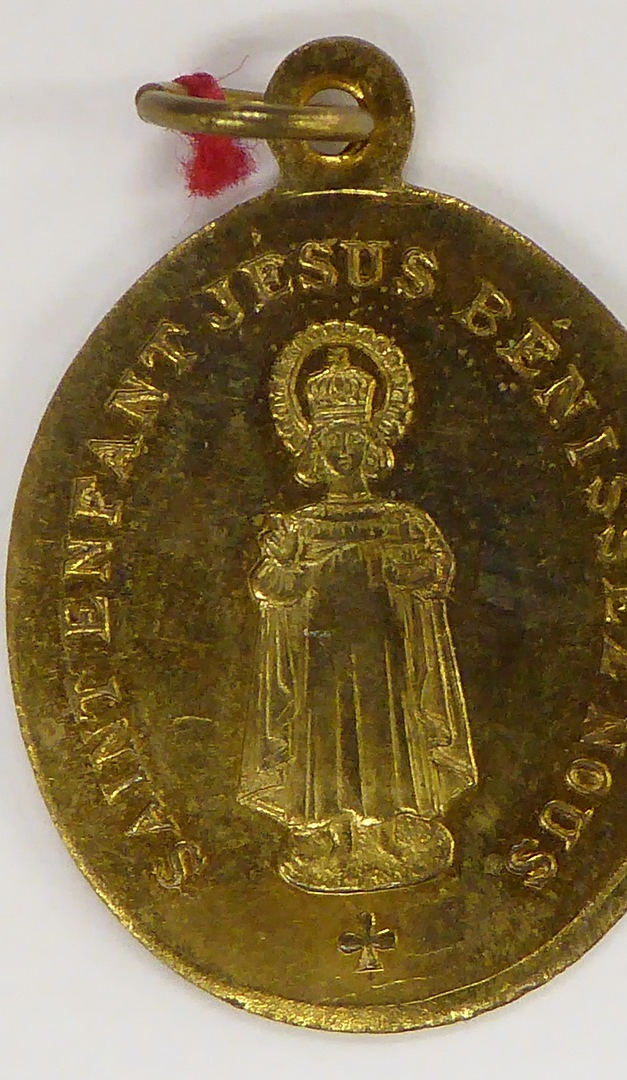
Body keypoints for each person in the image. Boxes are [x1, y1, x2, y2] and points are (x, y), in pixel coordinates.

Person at [238, 342, 477, 892]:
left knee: (388, 728)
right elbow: (271, 591)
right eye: (332, 441)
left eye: (352, 439)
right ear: (315, 450)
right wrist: (281, 562)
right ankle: (334, 834)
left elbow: (435, 576)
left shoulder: (403, 520)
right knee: (326, 732)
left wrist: (412, 569)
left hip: (388, 651)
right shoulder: (301, 526)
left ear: (372, 446)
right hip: (320, 653)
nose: (343, 451)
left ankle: (392, 829)